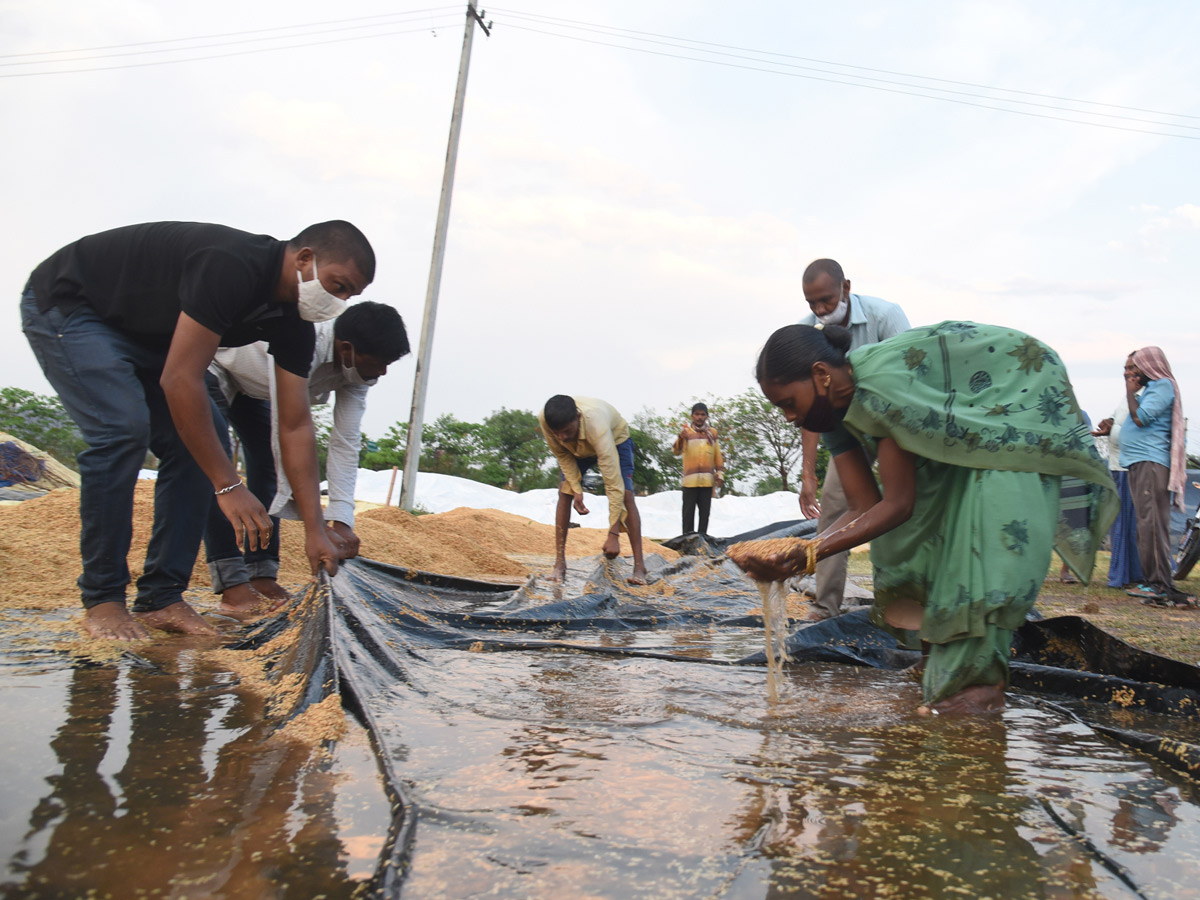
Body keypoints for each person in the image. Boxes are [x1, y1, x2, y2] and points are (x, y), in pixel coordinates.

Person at [733, 321, 1116, 716]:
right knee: (917, 543)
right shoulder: (832, 413)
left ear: (820, 375)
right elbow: (863, 506)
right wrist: (806, 548)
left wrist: (809, 553)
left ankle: (976, 692)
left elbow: (898, 504)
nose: (788, 417)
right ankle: (938, 664)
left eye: (788, 403)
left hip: (1009, 416)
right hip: (955, 444)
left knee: (978, 561)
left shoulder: (881, 386)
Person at [21, 220, 375, 640]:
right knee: (122, 431)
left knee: (197, 442)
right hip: (75, 307)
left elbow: (296, 426)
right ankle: (104, 599)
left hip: (150, 333)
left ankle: (161, 599)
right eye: (338, 286)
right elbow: (180, 379)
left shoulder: (293, 322)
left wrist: (316, 528)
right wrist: (228, 485)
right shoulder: (231, 266)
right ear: (304, 259)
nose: (338, 303)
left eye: (349, 295)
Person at [203, 301, 410, 619]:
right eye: (379, 362)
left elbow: (345, 443)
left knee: (269, 475)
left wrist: (341, 520)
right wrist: (314, 528)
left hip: (258, 390)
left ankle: (261, 575)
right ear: (346, 349)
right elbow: (285, 438)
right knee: (217, 474)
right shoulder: (305, 342)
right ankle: (233, 587)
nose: (382, 372)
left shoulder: (359, 375)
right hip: (217, 366)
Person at [797, 259, 910, 620]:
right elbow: (809, 408)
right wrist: (808, 473)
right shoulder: (807, 332)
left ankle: (900, 606)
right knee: (834, 504)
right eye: (812, 304)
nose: (820, 310)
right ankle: (825, 604)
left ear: (846, 287)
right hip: (848, 431)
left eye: (826, 301)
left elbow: (911, 383)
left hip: (899, 423)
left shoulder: (886, 316)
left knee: (902, 508)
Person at [1111, 348, 1193, 607]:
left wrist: (1130, 392)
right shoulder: (1151, 390)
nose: (1127, 373)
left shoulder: (1162, 386)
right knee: (1145, 524)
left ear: (1148, 366)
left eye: (1131, 368)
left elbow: (1143, 419)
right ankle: (1153, 582)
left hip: (1151, 463)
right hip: (1139, 462)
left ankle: (1161, 584)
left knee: (1152, 524)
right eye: (1125, 369)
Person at [538, 395, 648, 584]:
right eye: (558, 433)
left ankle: (640, 568)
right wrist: (576, 489)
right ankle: (559, 564)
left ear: (578, 418)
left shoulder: (596, 424)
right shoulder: (546, 421)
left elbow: (613, 484)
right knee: (564, 492)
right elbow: (563, 456)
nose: (562, 437)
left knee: (627, 495)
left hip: (615, 440)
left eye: (566, 431)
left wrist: (613, 534)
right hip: (576, 449)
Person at [1091, 404, 1144, 589]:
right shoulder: (1125, 399)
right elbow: (1115, 420)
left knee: (1132, 524)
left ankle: (1136, 573)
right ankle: (1125, 573)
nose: (1129, 376)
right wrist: (1108, 425)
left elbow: (1140, 424)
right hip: (1117, 467)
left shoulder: (1147, 395)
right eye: (1127, 373)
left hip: (1131, 468)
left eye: (1133, 373)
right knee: (1120, 523)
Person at [672, 402, 724, 537]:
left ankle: (702, 543)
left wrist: (720, 473)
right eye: (697, 414)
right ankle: (687, 542)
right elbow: (676, 451)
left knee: (704, 514)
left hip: (707, 481)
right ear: (692, 416)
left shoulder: (712, 433)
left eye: (702, 414)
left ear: (707, 416)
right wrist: (681, 438)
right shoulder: (686, 433)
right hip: (690, 481)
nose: (699, 417)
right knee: (688, 513)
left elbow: (717, 455)